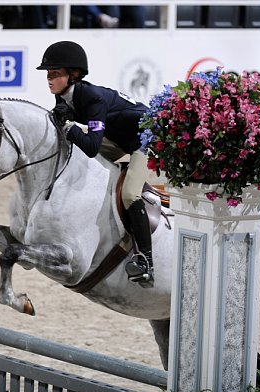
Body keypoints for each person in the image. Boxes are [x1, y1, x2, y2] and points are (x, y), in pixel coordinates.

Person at [36, 40, 154, 286]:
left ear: (74, 75)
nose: (49, 79)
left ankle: (145, 260)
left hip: (142, 138)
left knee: (130, 194)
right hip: (117, 137)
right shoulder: (62, 97)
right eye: (48, 74)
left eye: (55, 74)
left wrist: (68, 127)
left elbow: (90, 147)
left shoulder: (92, 98)